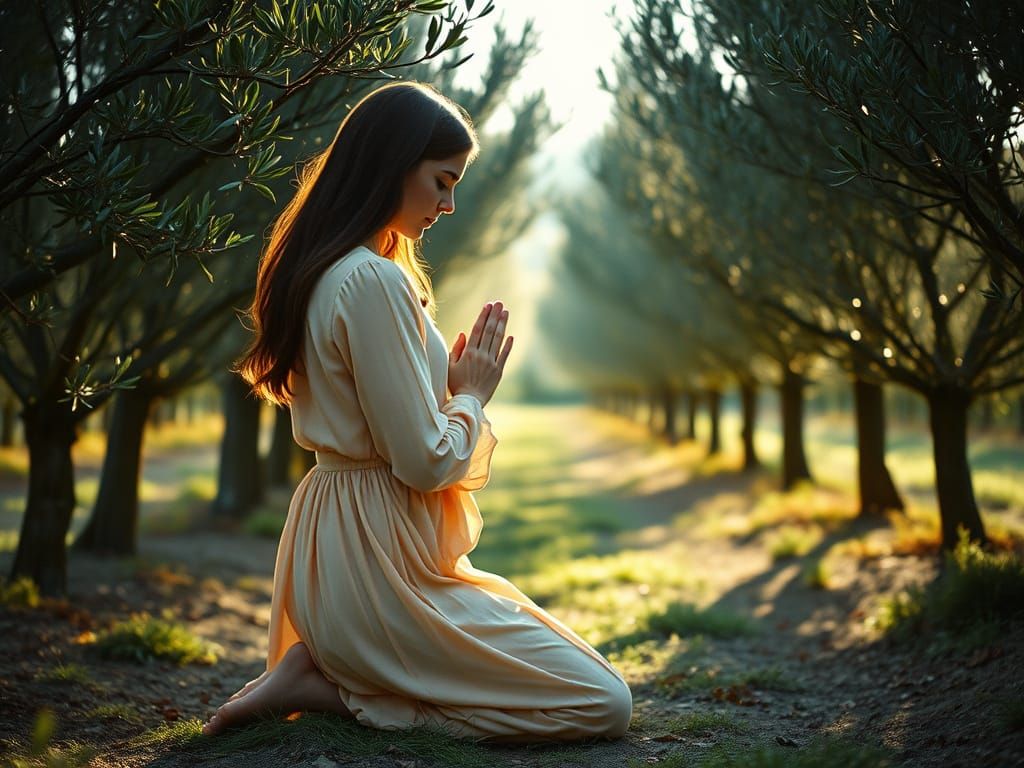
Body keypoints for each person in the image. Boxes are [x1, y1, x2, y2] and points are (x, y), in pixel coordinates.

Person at [201, 82, 631, 742]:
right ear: (393, 164)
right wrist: (470, 396)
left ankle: (329, 675)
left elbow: (384, 421)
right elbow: (425, 461)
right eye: (442, 181)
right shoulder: (372, 280)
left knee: (591, 684)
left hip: (354, 558)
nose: (449, 204)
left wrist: (446, 389)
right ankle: (338, 693)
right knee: (602, 702)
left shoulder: (337, 270)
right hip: (381, 578)